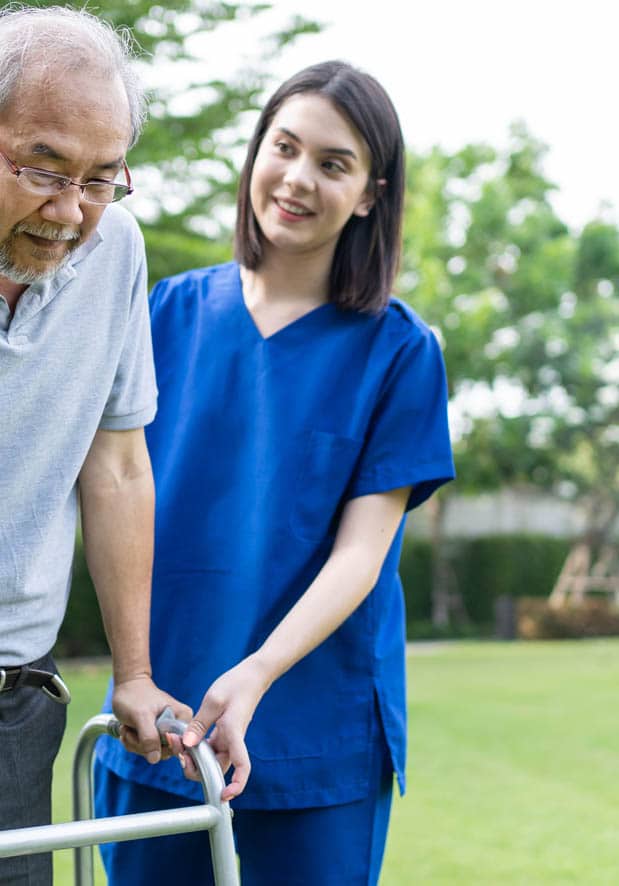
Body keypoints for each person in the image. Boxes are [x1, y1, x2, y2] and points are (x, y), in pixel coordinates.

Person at [95, 60, 455, 885]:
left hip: (314, 731)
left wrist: (256, 673)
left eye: (333, 164)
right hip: (161, 719)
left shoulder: (400, 352)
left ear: (369, 193)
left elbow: (361, 555)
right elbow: (105, 486)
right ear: (255, 152)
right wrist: (135, 673)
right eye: (283, 147)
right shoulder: (160, 314)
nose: (297, 179)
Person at [0, 7, 190, 884]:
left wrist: (137, 673)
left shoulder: (114, 249)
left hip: (13, 703)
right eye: (42, 168)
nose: (70, 210)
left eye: (102, 177)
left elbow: (115, 468)